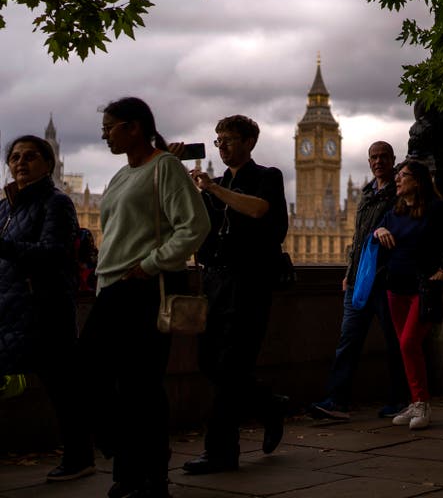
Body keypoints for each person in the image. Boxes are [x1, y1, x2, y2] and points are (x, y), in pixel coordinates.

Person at [82, 98, 210, 498]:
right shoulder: (121, 177)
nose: (103, 133)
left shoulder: (165, 168)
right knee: (91, 375)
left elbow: (195, 226)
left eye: (110, 126)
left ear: (133, 127)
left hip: (144, 289)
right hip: (111, 289)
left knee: (141, 386)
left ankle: (146, 477)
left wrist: (151, 264)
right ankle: (128, 461)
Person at [177, 116, 289, 475]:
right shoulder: (217, 183)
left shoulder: (267, 177)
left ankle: (221, 451)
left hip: (250, 283)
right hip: (216, 284)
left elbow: (258, 210)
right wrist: (174, 173)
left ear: (249, 141)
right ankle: (270, 404)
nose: (221, 145)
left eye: (227, 139)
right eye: (217, 140)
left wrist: (213, 190)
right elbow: (195, 225)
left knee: (229, 369)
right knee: (209, 362)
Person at [0, 136, 91, 481]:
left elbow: (53, 254)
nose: (20, 163)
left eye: (30, 156)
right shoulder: (5, 206)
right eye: (15, 157)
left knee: (63, 390)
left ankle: (86, 455)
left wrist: (4, 247)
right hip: (10, 308)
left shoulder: (58, 203)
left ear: (49, 164)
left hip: (44, 309)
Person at [310, 141, 408, 420]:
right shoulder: (365, 194)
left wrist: (382, 231)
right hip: (358, 280)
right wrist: (347, 272)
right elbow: (357, 237)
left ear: (392, 160)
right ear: (369, 162)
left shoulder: (399, 192)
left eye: (383, 157)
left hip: (386, 279)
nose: (378, 162)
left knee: (393, 342)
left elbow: (406, 226)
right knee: (348, 341)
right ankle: (337, 401)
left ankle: (400, 399)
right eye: (374, 157)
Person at [373, 159, 443, 430]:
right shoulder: (395, 211)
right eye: (398, 176)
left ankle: (423, 404)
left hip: (423, 290)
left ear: (418, 181)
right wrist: (379, 229)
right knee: (406, 347)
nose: (397, 179)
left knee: (409, 343)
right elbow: (375, 232)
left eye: (403, 175)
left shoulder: (436, 210)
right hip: (395, 287)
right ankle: (416, 401)